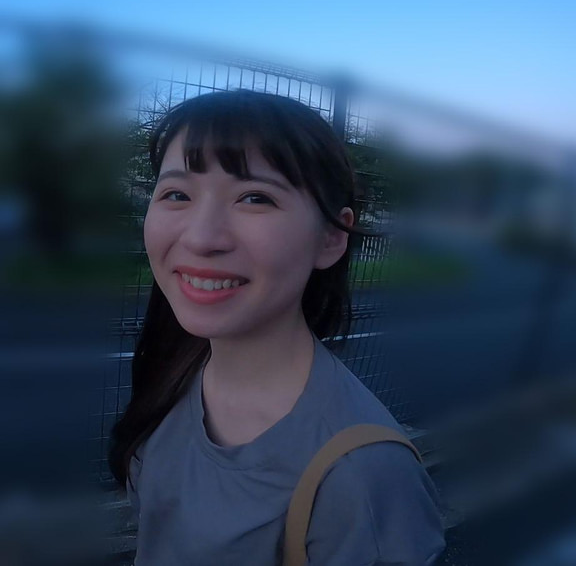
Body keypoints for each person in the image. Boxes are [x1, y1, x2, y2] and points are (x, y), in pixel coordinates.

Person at [110, 90, 445, 564]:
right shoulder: (176, 368)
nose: (201, 237)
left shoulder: (363, 475)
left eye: (255, 198)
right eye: (177, 194)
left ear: (331, 238)